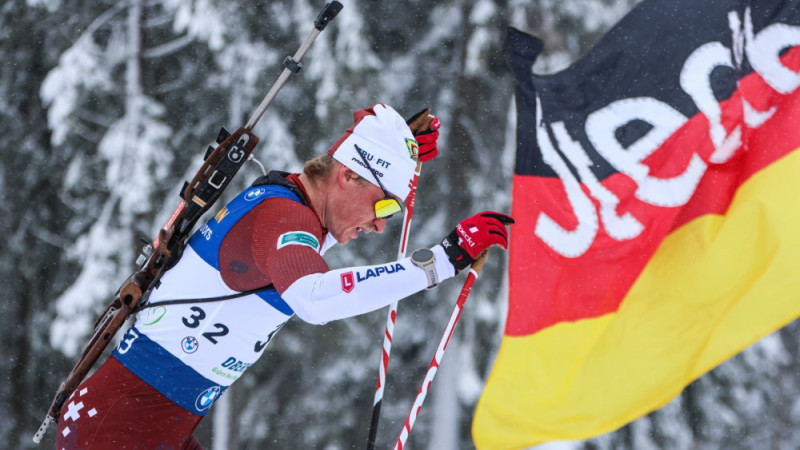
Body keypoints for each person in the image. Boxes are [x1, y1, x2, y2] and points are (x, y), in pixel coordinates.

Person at [55, 103, 513, 449]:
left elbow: (311, 249)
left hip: (149, 424)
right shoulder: (283, 217)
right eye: (384, 205)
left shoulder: (296, 213)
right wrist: (438, 261)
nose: (380, 224)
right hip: (117, 426)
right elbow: (316, 298)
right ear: (348, 177)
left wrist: (399, 153)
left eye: (392, 211)